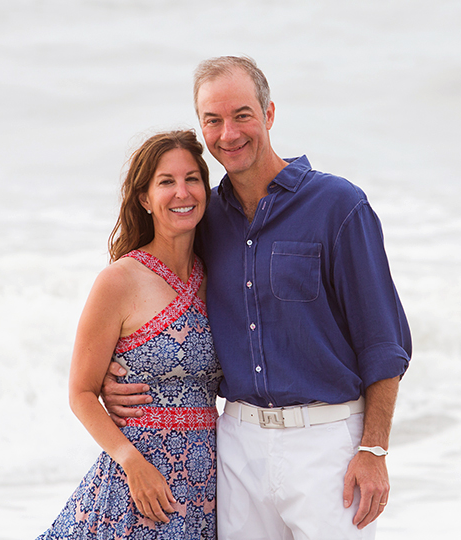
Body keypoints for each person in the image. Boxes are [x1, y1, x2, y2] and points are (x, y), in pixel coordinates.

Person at [102, 56, 412, 540]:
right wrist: (111, 373)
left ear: (268, 114)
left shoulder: (338, 205)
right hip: (238, 444)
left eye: (242, 115)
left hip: (327, 442)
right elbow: (160, 296)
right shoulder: (204, 218)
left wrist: (374, 450)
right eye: (214, 120)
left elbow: (384, 342)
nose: (229, 133)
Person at [36, 130, 222, 539]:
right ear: (144, 198)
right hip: (138, 482)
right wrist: (131, 462)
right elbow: (81, 392)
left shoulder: (216, 276)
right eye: (166, 182)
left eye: (192, 178)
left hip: (205, 482)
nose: (182, 192)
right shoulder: (119, 280)